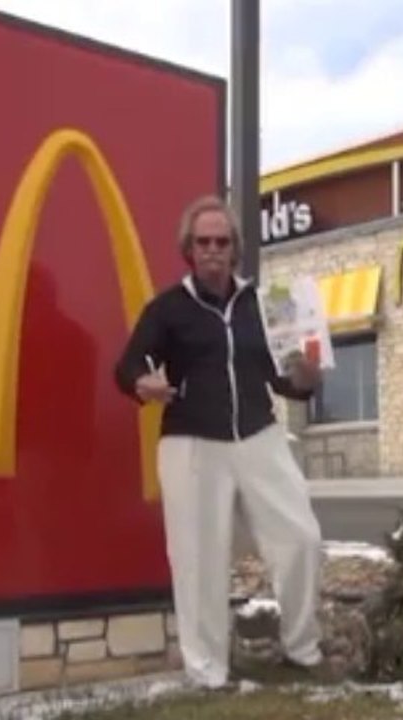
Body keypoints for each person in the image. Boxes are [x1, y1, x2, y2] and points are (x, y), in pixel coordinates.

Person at [114, 195, 327, 689]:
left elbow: (288, 382)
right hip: (191, 443)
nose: (213, 250)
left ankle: (302, 649)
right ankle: (208, 671)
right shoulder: (167, 309)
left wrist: (308, 377)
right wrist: (141, 384)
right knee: (199, 559)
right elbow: (127, 367)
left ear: (235, 249)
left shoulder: (271, 303)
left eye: (222, 242)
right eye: (203, 242)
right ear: (188, 249)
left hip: (259, 434)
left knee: (301, 538)